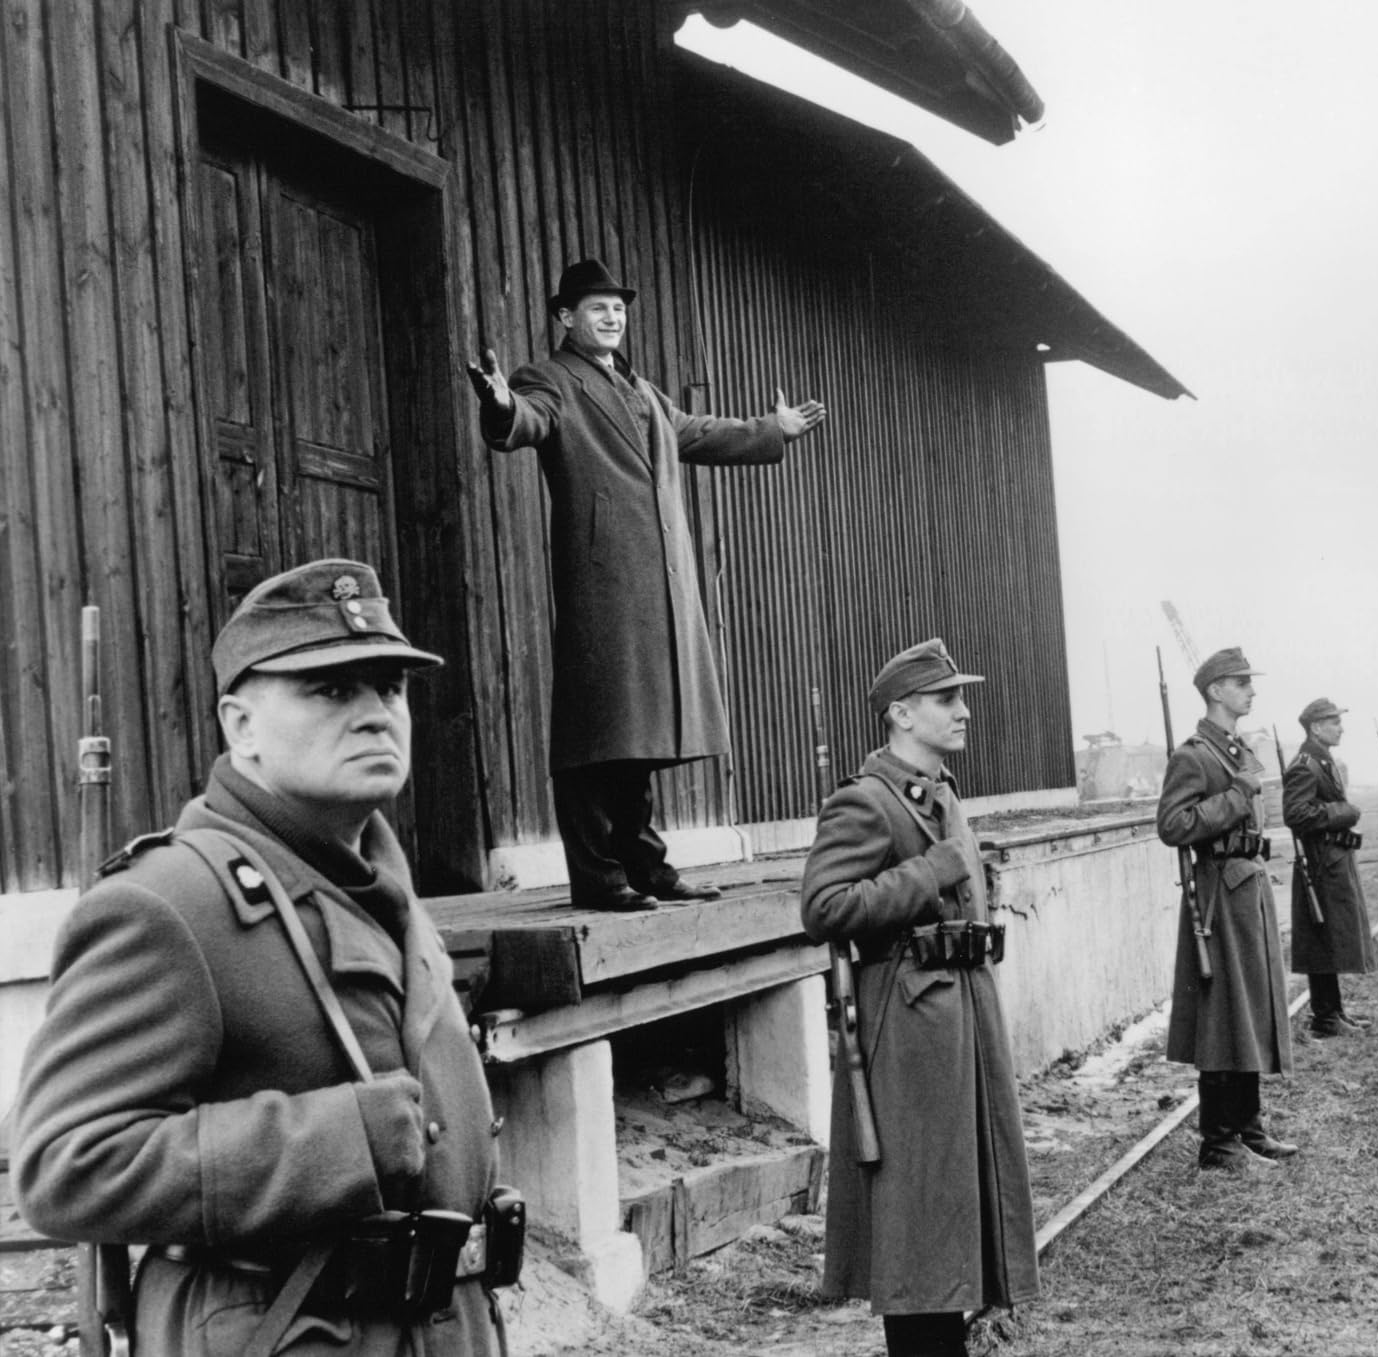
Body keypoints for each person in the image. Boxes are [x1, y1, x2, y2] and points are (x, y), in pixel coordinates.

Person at [10, 560, 518, 1354]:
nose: (376, 714)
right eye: (330, 689)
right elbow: (65, 1165)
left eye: (388, 687)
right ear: (240, 725)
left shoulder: (380, 885)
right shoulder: (170, 903)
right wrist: (338, 1139)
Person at [468, 259, 828, 912]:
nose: (612, 317)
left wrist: (772, 430)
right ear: (566, 318)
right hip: (602, 583)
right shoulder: (551, 379)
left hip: (655, 588)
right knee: (594, 731)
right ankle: (600, 878)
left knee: (636, 734)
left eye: (619, 308)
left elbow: (696, 430)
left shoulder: (642, 390)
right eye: (597, 307)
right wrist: (498, 403)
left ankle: (647, 868)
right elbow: (527, 418)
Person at [799, 639, 1037, 1353]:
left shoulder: (943, 792)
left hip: (960, 1020)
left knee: (953, 1213)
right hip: (908, 1035)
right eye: (946, 699)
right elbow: (824, 907)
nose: (963, 711)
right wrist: (930, 872)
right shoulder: (866, 802)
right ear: (901, 713)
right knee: (920, 1224)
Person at [1157, 648, 1295, 1169]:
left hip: (1248, 888)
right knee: (1222, 1016)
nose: (1250, 691)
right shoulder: (1194, 756)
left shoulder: (1238, 750)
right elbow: (1173, 825)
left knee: (1251, 1007)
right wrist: (1237, 796)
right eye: (1240, 683)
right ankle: (1217, 1141)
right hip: (1216, 895)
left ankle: (1248, 1127)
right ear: (1215, 690)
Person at [1282, 698, 1374, 1038]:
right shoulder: (1305, 764)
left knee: (1329, 937)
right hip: (1318, 864)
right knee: (1321, 938)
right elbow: (1296, 814)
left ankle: (1334, 1012)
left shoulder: (1322, 758)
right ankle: (1324, 1018)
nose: (1341, 727)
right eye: (1334, 722)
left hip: (1330, 860)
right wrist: (1343, 812)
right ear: (1316, 727)